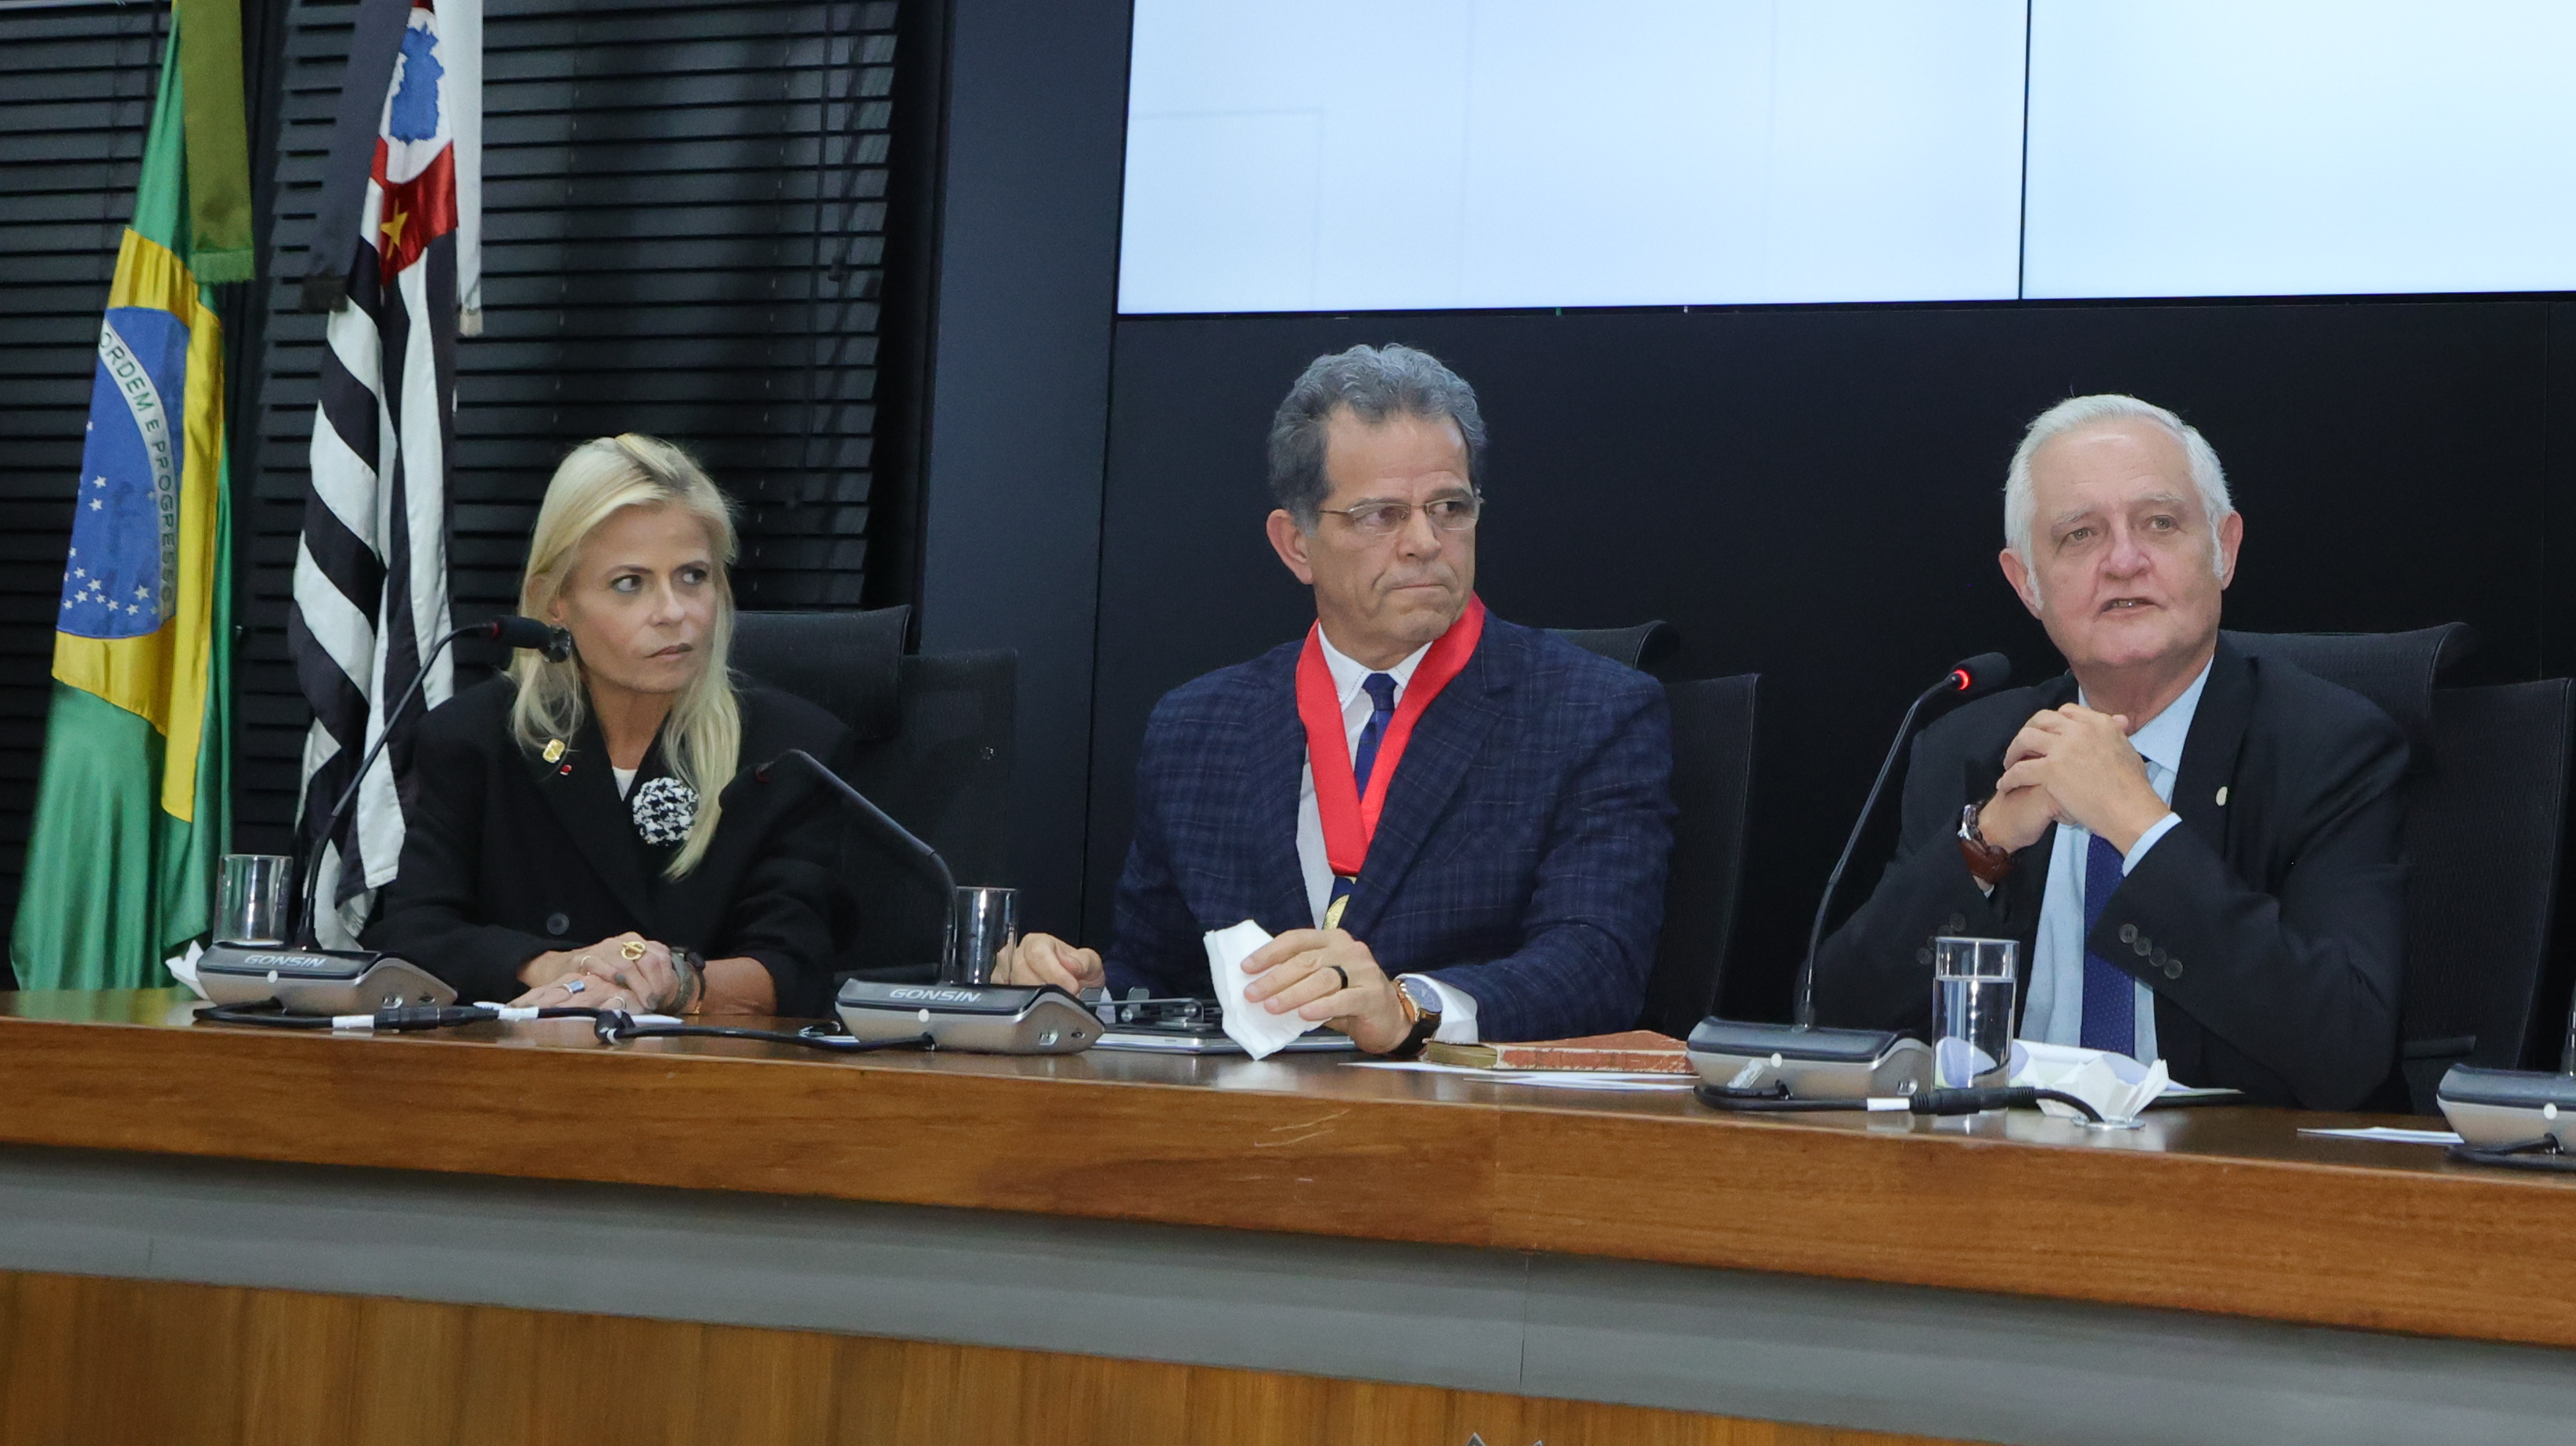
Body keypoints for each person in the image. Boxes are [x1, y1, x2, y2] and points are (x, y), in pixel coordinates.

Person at [998, 344, 1670, 1048]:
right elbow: (1163, 973)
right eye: (1381, 515)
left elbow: (1598, 965)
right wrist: (1083, 991)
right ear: (1297, 545)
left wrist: (1408, 1009)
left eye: (1449, 506)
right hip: (1240, 1132)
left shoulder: (1593, 712)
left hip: (1470, 1133)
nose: (1424, 541)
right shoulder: (1198, 729)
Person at [1812, 393, 2407, 1109]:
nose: (2124, 561)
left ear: (2225, 550)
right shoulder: (1967, 749)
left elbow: (2346, 1051)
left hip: (2227, 1189)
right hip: (1996, 1180)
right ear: (2026, 582)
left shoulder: (2330, 748)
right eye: (2080, 535)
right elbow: (1839, 1020)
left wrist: (2139, 824)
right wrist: (1985, 845)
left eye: (2160, 523)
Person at [376, 435, 849, 1019]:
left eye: (693, 577)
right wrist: (559, 967)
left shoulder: (789, 751)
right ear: (554, 601)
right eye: (631, 583)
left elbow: (797, 965)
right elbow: (413, 935)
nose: (673, 612)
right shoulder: (474, 738)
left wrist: (674, 983)